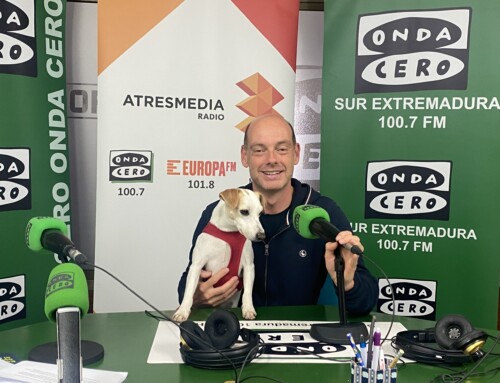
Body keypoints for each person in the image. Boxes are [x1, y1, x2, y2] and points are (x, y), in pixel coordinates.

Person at [177, 114, 378, 315]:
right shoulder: (221, 212)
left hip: (298, 337)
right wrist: (197, 297)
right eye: (259, 150)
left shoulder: (323, 212)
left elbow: (365, 302)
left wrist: (348, 283)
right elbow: (187, 282)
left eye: (282, 149)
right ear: (244, 156)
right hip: (231, 334)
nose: (271, 160)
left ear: (296, 153)